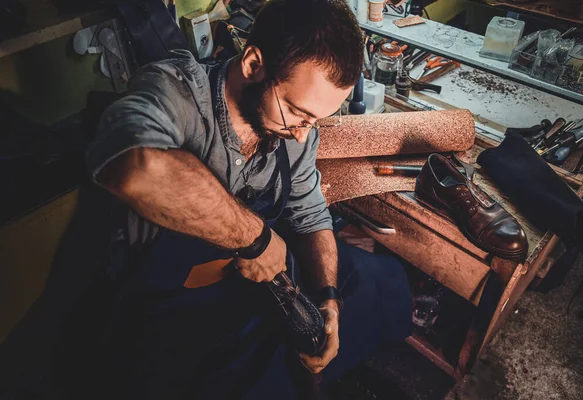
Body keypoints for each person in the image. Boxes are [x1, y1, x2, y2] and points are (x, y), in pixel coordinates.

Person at [85, 0, 412, 398]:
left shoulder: (296, 132)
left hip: (255, 291)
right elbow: (133, 167)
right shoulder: (177, 92)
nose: (303, 135)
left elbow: (310, 216)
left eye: (315, 121)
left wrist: (328, 301)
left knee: (381, 280)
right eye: (297, 112)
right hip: (172, 309)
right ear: (254, 64)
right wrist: (256, 240)